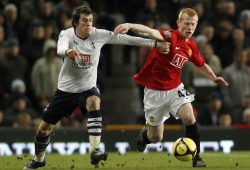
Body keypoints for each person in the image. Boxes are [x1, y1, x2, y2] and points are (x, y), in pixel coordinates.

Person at [24, 5, 169, 169]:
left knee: (94, 101)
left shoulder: (98, 34)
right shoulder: (67, 34)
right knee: (44, 129)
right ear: (75, 23)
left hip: (88, 88)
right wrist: (68, 52)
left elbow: (126, 39)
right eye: (84, 21)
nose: (89, 24)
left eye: (91, 20)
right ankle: (39, 159)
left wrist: (155, 44)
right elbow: (60, 48)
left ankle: (95, 150)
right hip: (65, 91)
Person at [114, 8, 229, 167]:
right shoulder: (170, 36)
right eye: (187, 23)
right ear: (178, 23)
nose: (190, 27)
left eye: (193, 24)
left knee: (189, 117)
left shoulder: (190, 45)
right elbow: (149, 31)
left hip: (175, 89)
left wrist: (214, 77)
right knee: (156, 138)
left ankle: (197, 157)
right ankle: (145, 136)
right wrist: (129, 25)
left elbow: (201, 64)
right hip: (155, 93)